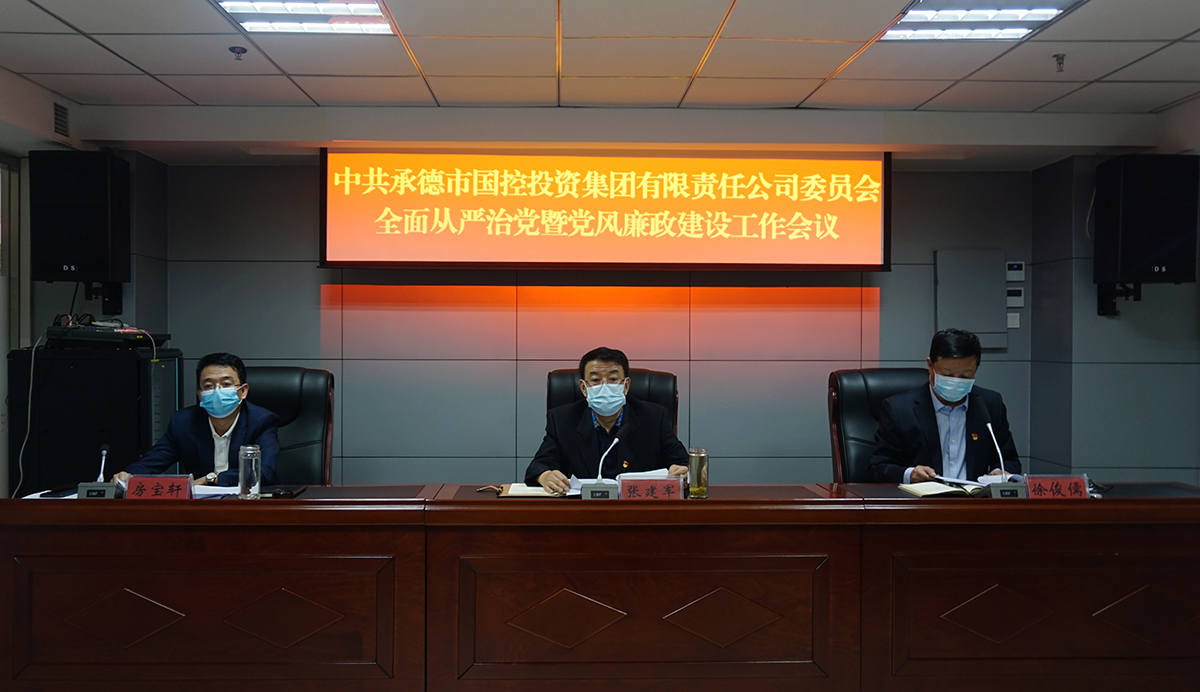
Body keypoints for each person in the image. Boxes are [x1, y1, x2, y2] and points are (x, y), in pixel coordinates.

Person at [526, 347, 689, 494]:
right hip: (582, 511)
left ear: (626, 386)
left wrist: (684, 472)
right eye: (595, 380)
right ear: (583, 388)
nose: (605, 387)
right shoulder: (562, 420)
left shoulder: (653, 417)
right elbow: (539, 465)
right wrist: (545, 476)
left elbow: (683, 463)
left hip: (638, 509)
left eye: (612, 379)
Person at [869, 329, 1021, 484]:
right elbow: (878, 468)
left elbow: (1009, 459)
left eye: (965, 376)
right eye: (948, 375)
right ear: (930, 365)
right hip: (923, 497)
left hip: (975, 497)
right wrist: (911, 474)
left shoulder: (989, 404)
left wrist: (1000, 472)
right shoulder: (899, 409)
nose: (956, 381)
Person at [113, 352, 280, 486]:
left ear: (243, 391)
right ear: (200, 394)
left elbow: (263, 473)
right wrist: (128, 475)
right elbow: (152, 462)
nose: (217, 391)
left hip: (250, 504)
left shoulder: (262, 421)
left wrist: (210, 479)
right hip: (199, 507)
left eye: (226, 384)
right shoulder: (183, 422)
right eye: (208, 386)